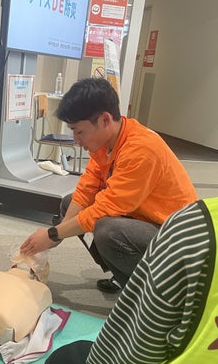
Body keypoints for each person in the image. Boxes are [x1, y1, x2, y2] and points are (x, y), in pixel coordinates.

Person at [20, 77, 197, 293]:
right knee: (70, 204)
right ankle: (125, 276)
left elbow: (106, 209)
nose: (77, 140)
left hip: (175, 236)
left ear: (105, 120)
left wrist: (52, 234)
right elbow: (86, 190)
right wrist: (57, 235)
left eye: (79, 131)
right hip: (141, 218)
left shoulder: (141, 149)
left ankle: (153, 294)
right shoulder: (106, 142)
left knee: (107, 231)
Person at [41, 197, 218, 364]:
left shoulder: (198, 228)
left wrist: (53, 234)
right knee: (63, 362)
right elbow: (87, 189)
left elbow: (137, 349)